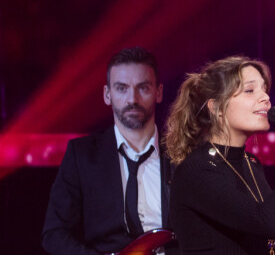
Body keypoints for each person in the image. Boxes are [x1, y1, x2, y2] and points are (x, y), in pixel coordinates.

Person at [41, 46, 179, 255]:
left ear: (158, 92)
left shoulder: (182, 153)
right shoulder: (82, 155)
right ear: (107, 94)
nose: (132, 99)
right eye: (122, 88)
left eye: (143, 88)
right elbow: (54, 233)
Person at [164, 56, 275, 254]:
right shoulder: (196, 172)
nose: (265, 97)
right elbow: (266, 223)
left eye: (264, 89)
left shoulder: (251, 164)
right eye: (250, 90)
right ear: (216, 107)